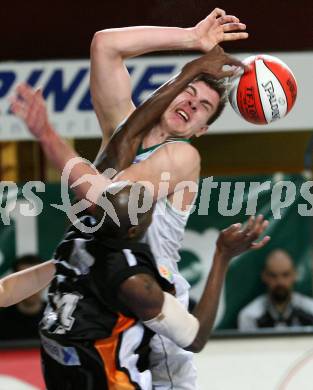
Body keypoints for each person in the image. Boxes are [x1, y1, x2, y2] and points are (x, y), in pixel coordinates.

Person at [90, 9, 248, 388]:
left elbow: (110, 195)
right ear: (173, 91)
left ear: (201, 130)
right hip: (103, 291)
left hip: (154, 299)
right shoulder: (122, 125)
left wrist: (190, 73)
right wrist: (190, 38)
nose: (191, 104)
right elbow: (105, 44)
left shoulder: (181, 157)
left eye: (203, 107)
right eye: (188, 93)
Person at [238, 250, 313, 331]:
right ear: (264, 276)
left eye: (285, 275)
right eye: (273, 276)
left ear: (295, 275)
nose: (280, 282)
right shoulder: (250, 316)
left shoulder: (310, 311)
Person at [0, 255, 48, 340]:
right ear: (13, 282)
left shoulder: (58, 318)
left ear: (46, 282)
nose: (30, 287)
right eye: (24, 281)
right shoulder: (2, 319)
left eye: (36, 280)